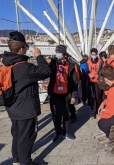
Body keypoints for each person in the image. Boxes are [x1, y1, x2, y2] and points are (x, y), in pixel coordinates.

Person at [2, 31, 51, 165]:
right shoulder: (25, 68)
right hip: (25, 109)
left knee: (17, 134)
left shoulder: (7, 64)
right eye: (26, 47)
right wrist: (39, 56)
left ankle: (17, 159)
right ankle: (25, 162)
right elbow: (46, 72)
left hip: (12, 107)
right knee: (27, 136)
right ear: (22, 48)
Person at [48, 44, 78, 142]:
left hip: (66, 94)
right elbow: (45, 72)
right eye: (56, 52)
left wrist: (73, 95)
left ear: (64, 53)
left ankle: (67, 132)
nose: (57, 54)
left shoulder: (71, 65)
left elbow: (74, 82)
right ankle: (58, 132)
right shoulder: (52, 63)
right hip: (55, 94)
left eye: (59, 52)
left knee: (67, 114)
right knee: (56, 115)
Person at [87, 48, 103, 118]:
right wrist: (88, 74)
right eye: (92, 54)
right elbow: (86, 71)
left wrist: (98, 75)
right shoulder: (88, 62)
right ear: (91, 54)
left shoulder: (100, 61)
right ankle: (93, 112)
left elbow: (102, 71)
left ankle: (98, 110)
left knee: (98, 96)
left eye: (95, 54)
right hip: (91, 82)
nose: (94, 56)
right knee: (92, 97)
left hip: (97, 82)